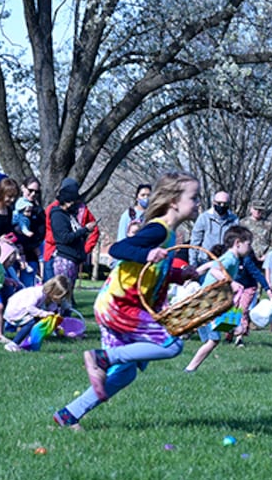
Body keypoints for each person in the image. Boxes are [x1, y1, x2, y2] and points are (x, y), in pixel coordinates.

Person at [54, 172, 202, 431]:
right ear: (174, 201)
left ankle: (68, 415)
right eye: (194, 197)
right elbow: (118, 250)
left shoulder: (169, 235)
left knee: (125, 373)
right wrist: (146, 253)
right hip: (120, 306)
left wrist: (179, 275)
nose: (199, 202)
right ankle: (103, 358)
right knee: (172, 344)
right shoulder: (158, 229)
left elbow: (152, 273)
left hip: (115, 304)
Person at [185, 226, 265, 372]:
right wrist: (231, 282)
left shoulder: (231, 258)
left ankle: (189, 365)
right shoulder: (230, 258)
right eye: (248, 244)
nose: (250, 248)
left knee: (209, 336)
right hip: (208, 301)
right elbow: (215, 270)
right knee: (213, 340)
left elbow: (212, 265)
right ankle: (190, 369)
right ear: (238, 243)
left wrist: (197, 272)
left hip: (212, 301)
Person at [43, 179, 92, 309]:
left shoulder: (72, 214)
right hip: (62, 257)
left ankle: (65, 319)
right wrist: (84, 230)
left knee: (67, 294)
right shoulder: (57, 214)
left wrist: (84, 247)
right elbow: (63, 237)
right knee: (59, 292)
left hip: (73, 258)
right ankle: (55, 318)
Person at [2, 275, 69, 352]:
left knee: (38, 319)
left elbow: (51, 313)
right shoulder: (38, 293)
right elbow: (29, 307)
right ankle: (13, 344)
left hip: (23, 309)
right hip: (15, 309)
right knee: (32, 321)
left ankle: (27, 342)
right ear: (52, 290)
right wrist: (43, 313)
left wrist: (55, 326)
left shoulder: (49, 298)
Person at [188, 190, 235, 258]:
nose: (222, 206)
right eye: (219, 203)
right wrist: (193, 263)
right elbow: (195, 243)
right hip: (205, 260)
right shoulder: (203, 218)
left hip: (226, 260)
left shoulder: (234, 220)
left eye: (225, 204)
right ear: (213, 202)